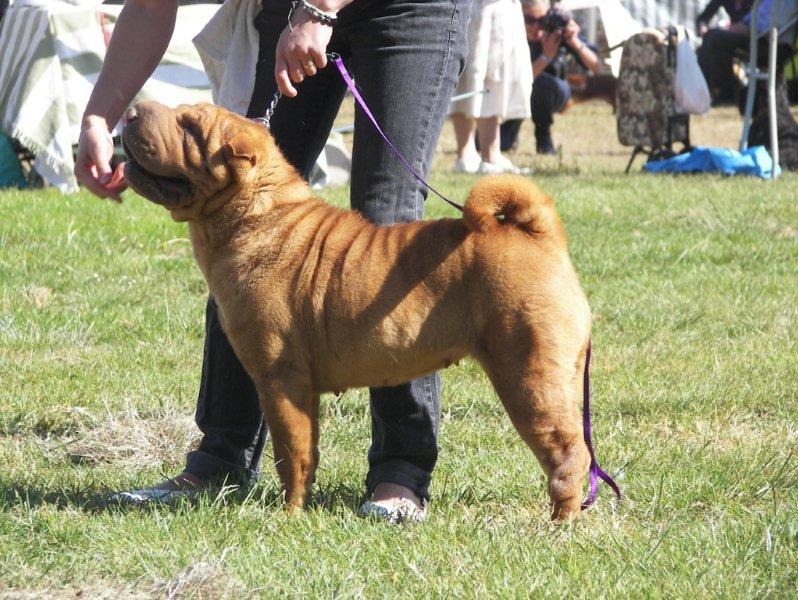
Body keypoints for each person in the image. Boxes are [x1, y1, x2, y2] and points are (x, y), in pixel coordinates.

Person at [75, 0, 471, 523]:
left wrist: (322, 11)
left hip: (404, 10)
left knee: (384, 213)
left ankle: (401, 469)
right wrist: (100, 116)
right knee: (235, 214)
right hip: (292, 11)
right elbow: (151, 7)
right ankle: (221, 458)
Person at [503, 0, 600, 155]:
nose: (536, 27)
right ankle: (507, 133)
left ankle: (543, 136)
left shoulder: (557, 30)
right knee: (493, 144)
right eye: (529, 20)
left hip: (554, 91)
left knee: (542, 83)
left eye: (541, 21)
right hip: (514, 92)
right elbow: (517, 80)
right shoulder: (510, 33)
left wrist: (574, 41)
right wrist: (546, 58)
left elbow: (596, 66)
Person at [449, 0, 532, 174]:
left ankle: (466, 154)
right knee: (490, 74)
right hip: (489, 9)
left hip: (467, 9)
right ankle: (490, 155)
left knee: (467, 74)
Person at [696, 0, 796, 106]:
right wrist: (739, 25)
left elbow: (773, 23)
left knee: (715, 39)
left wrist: (744, 28)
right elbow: (754, 17)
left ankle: (725, 95)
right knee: (711, 36)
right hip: (757, 37)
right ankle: (704, 92)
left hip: (771, 43)